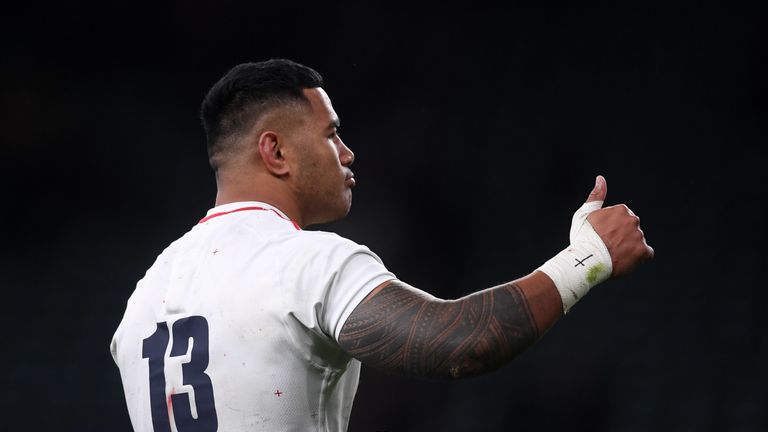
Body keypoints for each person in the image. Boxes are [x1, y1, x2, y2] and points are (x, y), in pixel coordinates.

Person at [110, 59, 654, 431]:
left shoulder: (143, 298)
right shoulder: (304, 262)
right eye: (330, 134)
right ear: (275, 151)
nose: (347, 153)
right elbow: (461, 343)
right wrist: (589, 256)